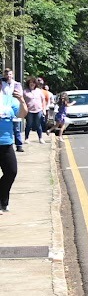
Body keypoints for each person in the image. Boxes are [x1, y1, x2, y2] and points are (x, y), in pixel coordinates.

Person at [0, 80, 19, 211]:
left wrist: (22, 100)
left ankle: (3, 199)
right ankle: (3, 202)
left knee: (11, 172)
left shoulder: (8, 100)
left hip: (6, 143)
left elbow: (22, 114)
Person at [24, 77, 47, 144]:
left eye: (33, 83)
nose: (32, 84)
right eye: (30, 83)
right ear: (28, 83)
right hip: (29, 110)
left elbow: (43, 100)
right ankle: (26, 138)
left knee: (38, 124)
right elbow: (22, 101)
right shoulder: (25, 91)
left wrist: (44, 109)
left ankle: (40, 138)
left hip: (38, 110)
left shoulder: (39, 91)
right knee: (29, 124)